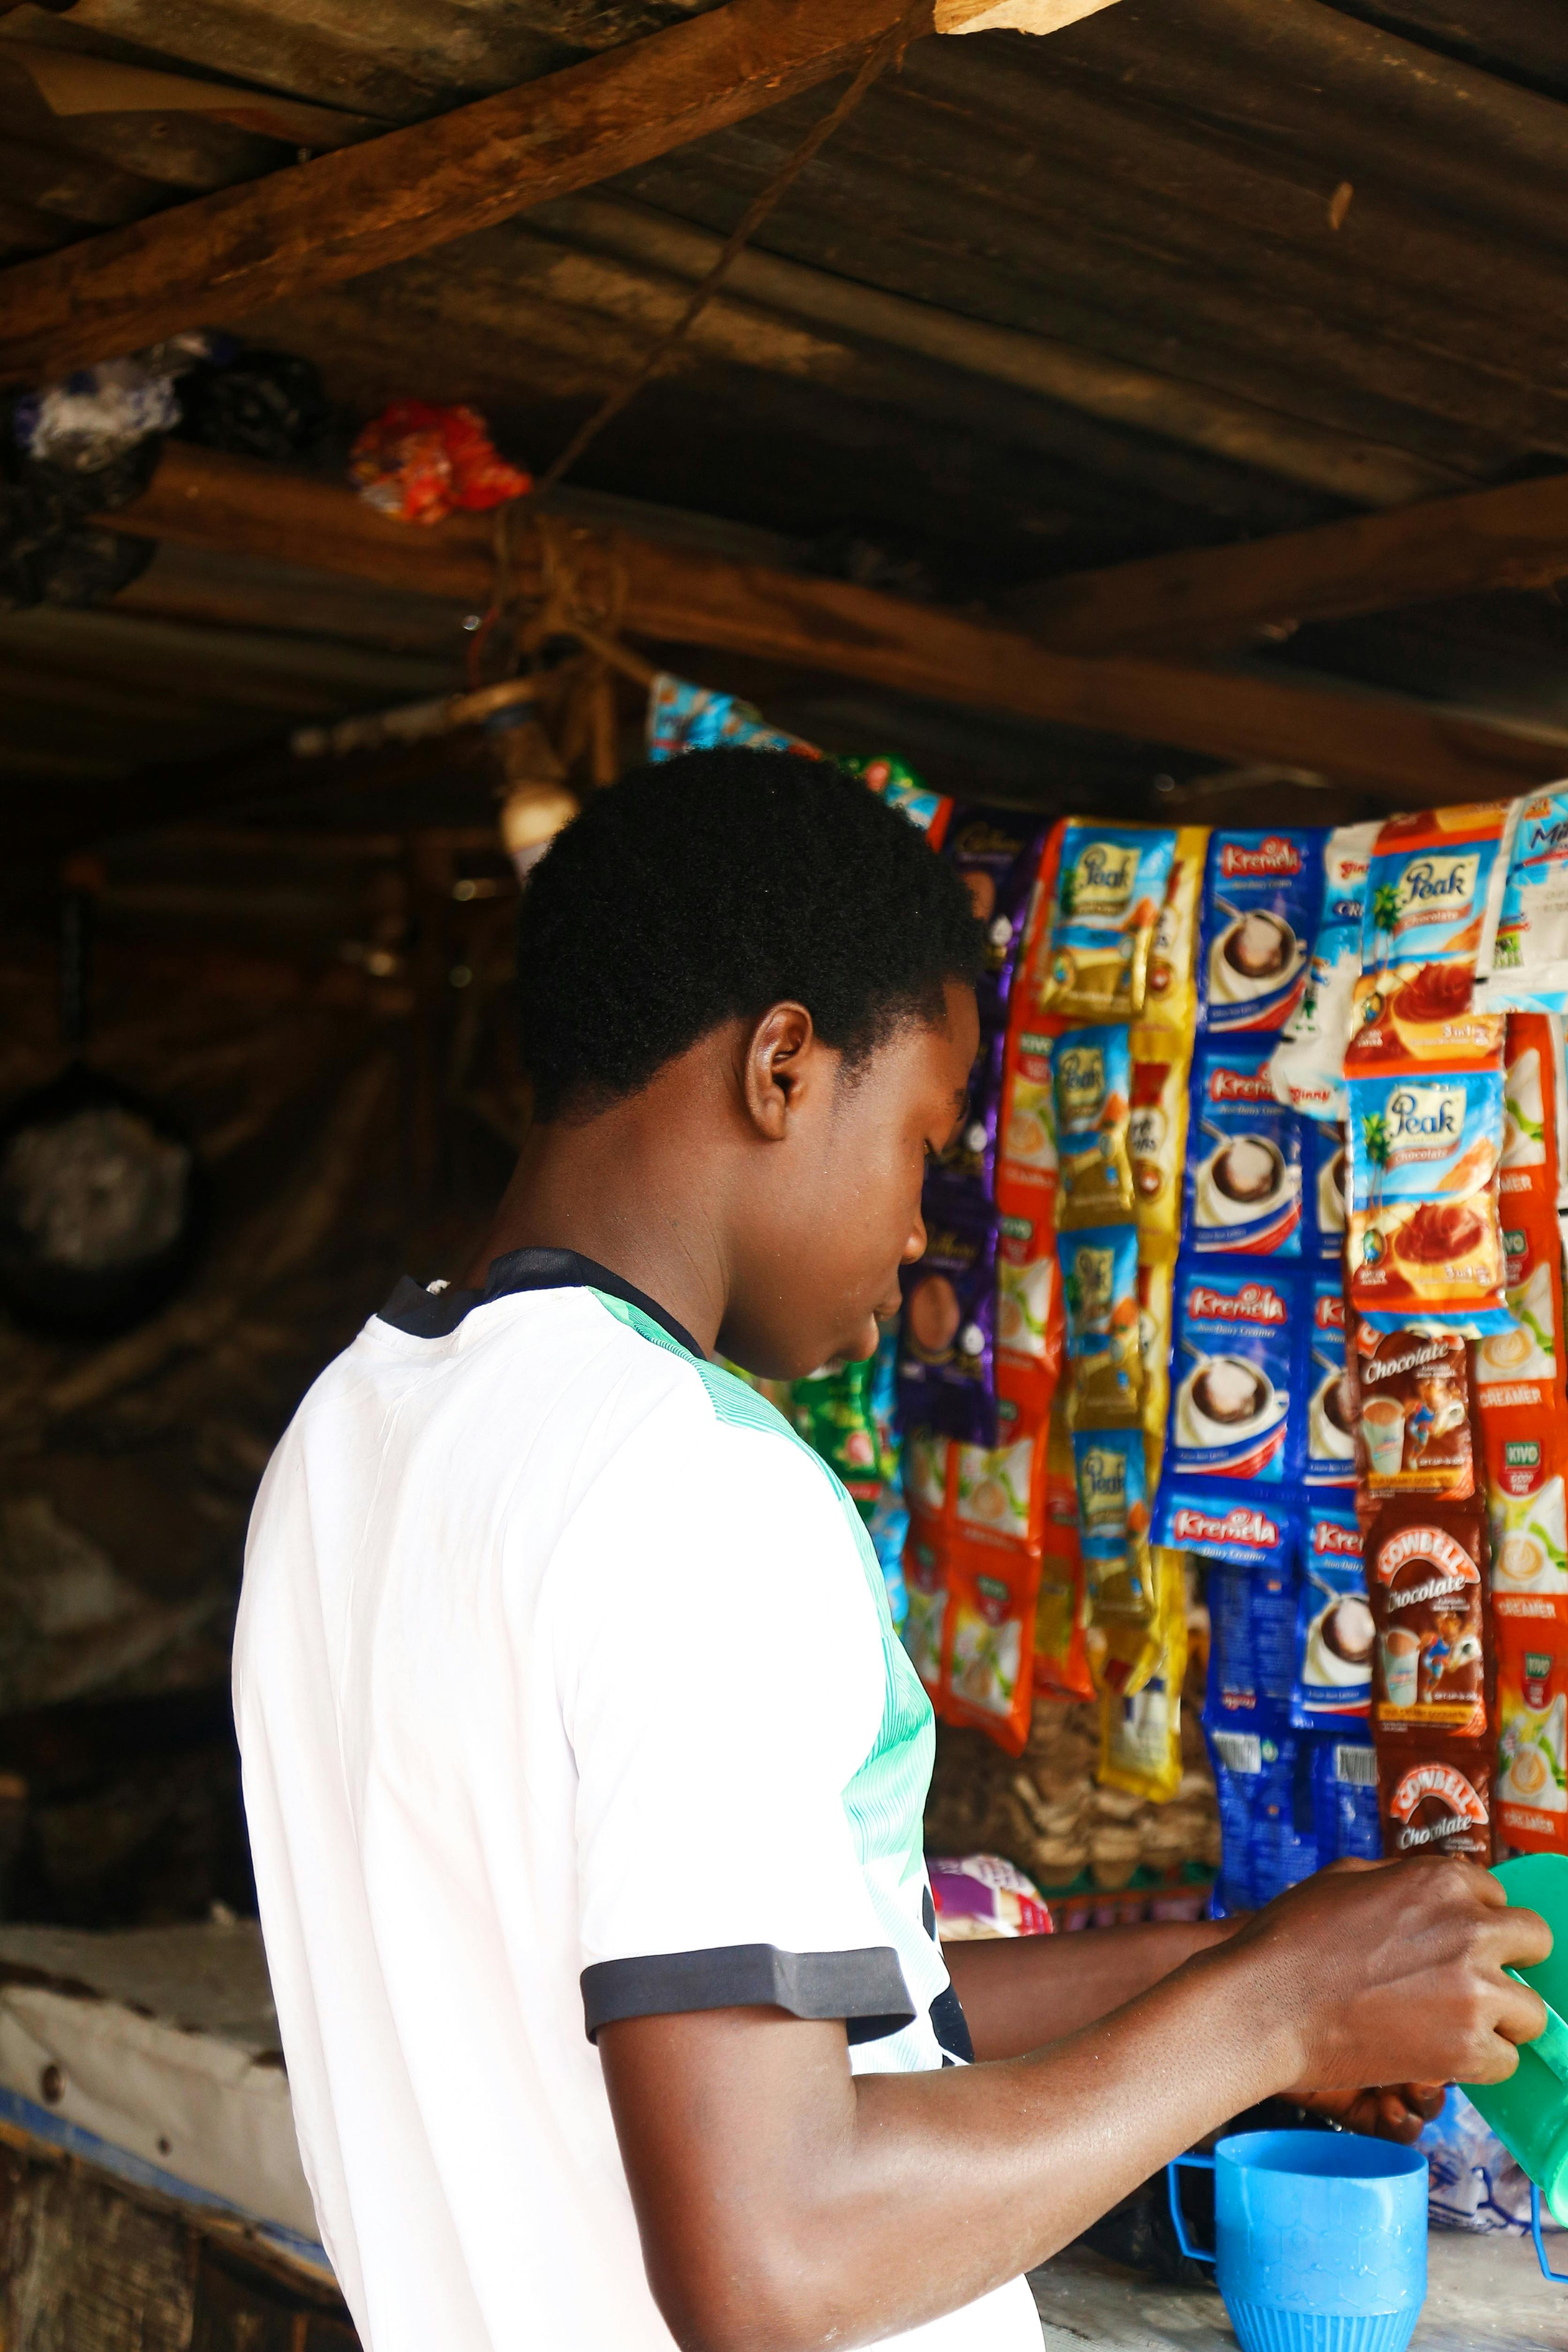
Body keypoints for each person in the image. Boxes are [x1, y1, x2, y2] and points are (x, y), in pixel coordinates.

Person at [234, 750, 1549, 2352]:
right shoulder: (690, 1486)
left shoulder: (347, 1441)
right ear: (782, 1067)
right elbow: (774, 2251)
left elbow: (806, 2022)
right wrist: (1272, 2015)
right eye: (927, 1141)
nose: (926, 1226)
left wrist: (1265, 1958)